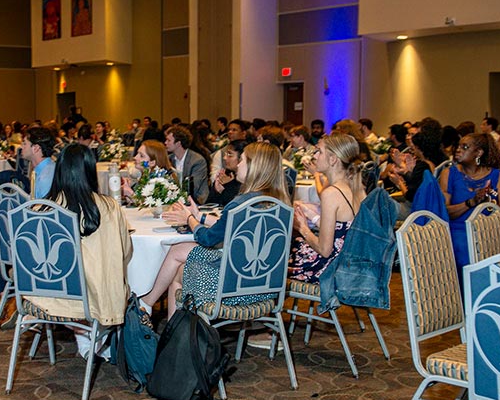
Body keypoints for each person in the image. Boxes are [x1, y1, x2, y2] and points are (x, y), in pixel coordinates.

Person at [141, 142, 290, 318]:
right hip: (265, 287)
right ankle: (148, 305)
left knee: (179, 270)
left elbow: (208, 239)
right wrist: (199, 216)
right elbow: (229, 226)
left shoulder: (239, 204)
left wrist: (189, 219)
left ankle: (154, 314)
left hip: (229, 291)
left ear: (253, 167)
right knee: (179, 251)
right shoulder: (280, 204)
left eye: (242, 160)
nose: (239, 164)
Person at [16, 144, 132, 359]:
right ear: (89, 171)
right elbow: (124, 251)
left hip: (46, 293)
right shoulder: (108, 207)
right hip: (90, 298)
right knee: (124, 284)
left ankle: (86, 338)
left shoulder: (40, 208)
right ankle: (93, 339)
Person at [0, 126, 59, 319]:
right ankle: (6, 297)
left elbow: (43, 215)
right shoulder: (42, 170)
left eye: (25, 143)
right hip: (36, 230)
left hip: (42, 240)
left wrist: (5, 220)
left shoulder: (46, 175)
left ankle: (8, 298)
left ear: (36, 148)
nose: (21, 147)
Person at [289, 134, 365, 283]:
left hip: (331, 271)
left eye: (319, 151)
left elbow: (324, 249)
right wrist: (311, 215)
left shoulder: (332, 193)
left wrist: (303, 227)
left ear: (333, 159)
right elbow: (342, 231)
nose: (314, 156)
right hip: (353, 267)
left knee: (277, 261)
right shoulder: (356, 187)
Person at [439, 133, 500, 273]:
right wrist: (471, 202)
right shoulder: (449, 174)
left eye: (465, 147)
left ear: (479, 152)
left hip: (489, 230)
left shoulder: (496, 175)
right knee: (463, 249)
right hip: (459, 230)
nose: (458, 150)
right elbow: (445, 211)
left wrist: (488, 202)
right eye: (458, 146)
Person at [165, 125, 209, 204]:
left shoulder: (197, 161)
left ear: (178, 143)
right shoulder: (168, 159)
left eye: (168, 140)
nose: (165, 143)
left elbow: (193, 188)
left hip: (196, 202)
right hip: (174, 201)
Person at [208, 139, 246, 206]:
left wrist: (229, 186)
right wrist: (217, 191)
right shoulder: (225, 175)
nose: (225, 158)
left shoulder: (248, 180)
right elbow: (209, 205)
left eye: (230, 154)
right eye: (225, 154)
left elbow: (234, 206)